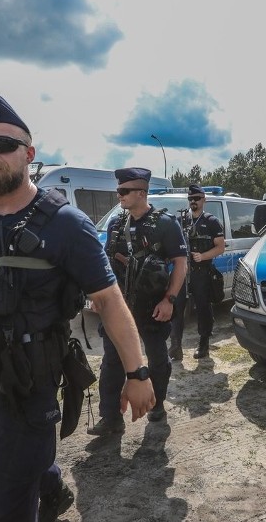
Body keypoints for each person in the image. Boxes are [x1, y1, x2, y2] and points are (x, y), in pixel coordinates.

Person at [0, 92, 156, 522]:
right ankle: (51, 485)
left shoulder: (66, 224)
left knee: (1, 503)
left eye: (3, 145)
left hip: (30, 382)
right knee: (8, 457)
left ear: (28, 154)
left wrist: (137, 373)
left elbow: (109, 300)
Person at [88, 167, 187, 433]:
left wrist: (170, 300)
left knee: (157, 359)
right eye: (118, 190)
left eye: (124, 191)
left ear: (142, 193)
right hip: (119, 309)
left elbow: (180, 263)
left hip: (153, 307)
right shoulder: (116, 224)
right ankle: (110, 418)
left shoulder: (166, 224)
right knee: (111, 361)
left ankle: (157, 404)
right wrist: (99, 298)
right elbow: (107, 264)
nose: (118, 195)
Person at [169, 184, 226, 360]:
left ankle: (204, 344)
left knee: (203, 307)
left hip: (202, 271)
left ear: (204, 199)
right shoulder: (182, 220)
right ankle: (175, 345)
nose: (193, 202)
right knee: (177, 307)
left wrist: (203, 256)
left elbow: (221, 247)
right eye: (191, 199)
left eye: (197, 198)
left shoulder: (211, 221)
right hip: (183, 271)